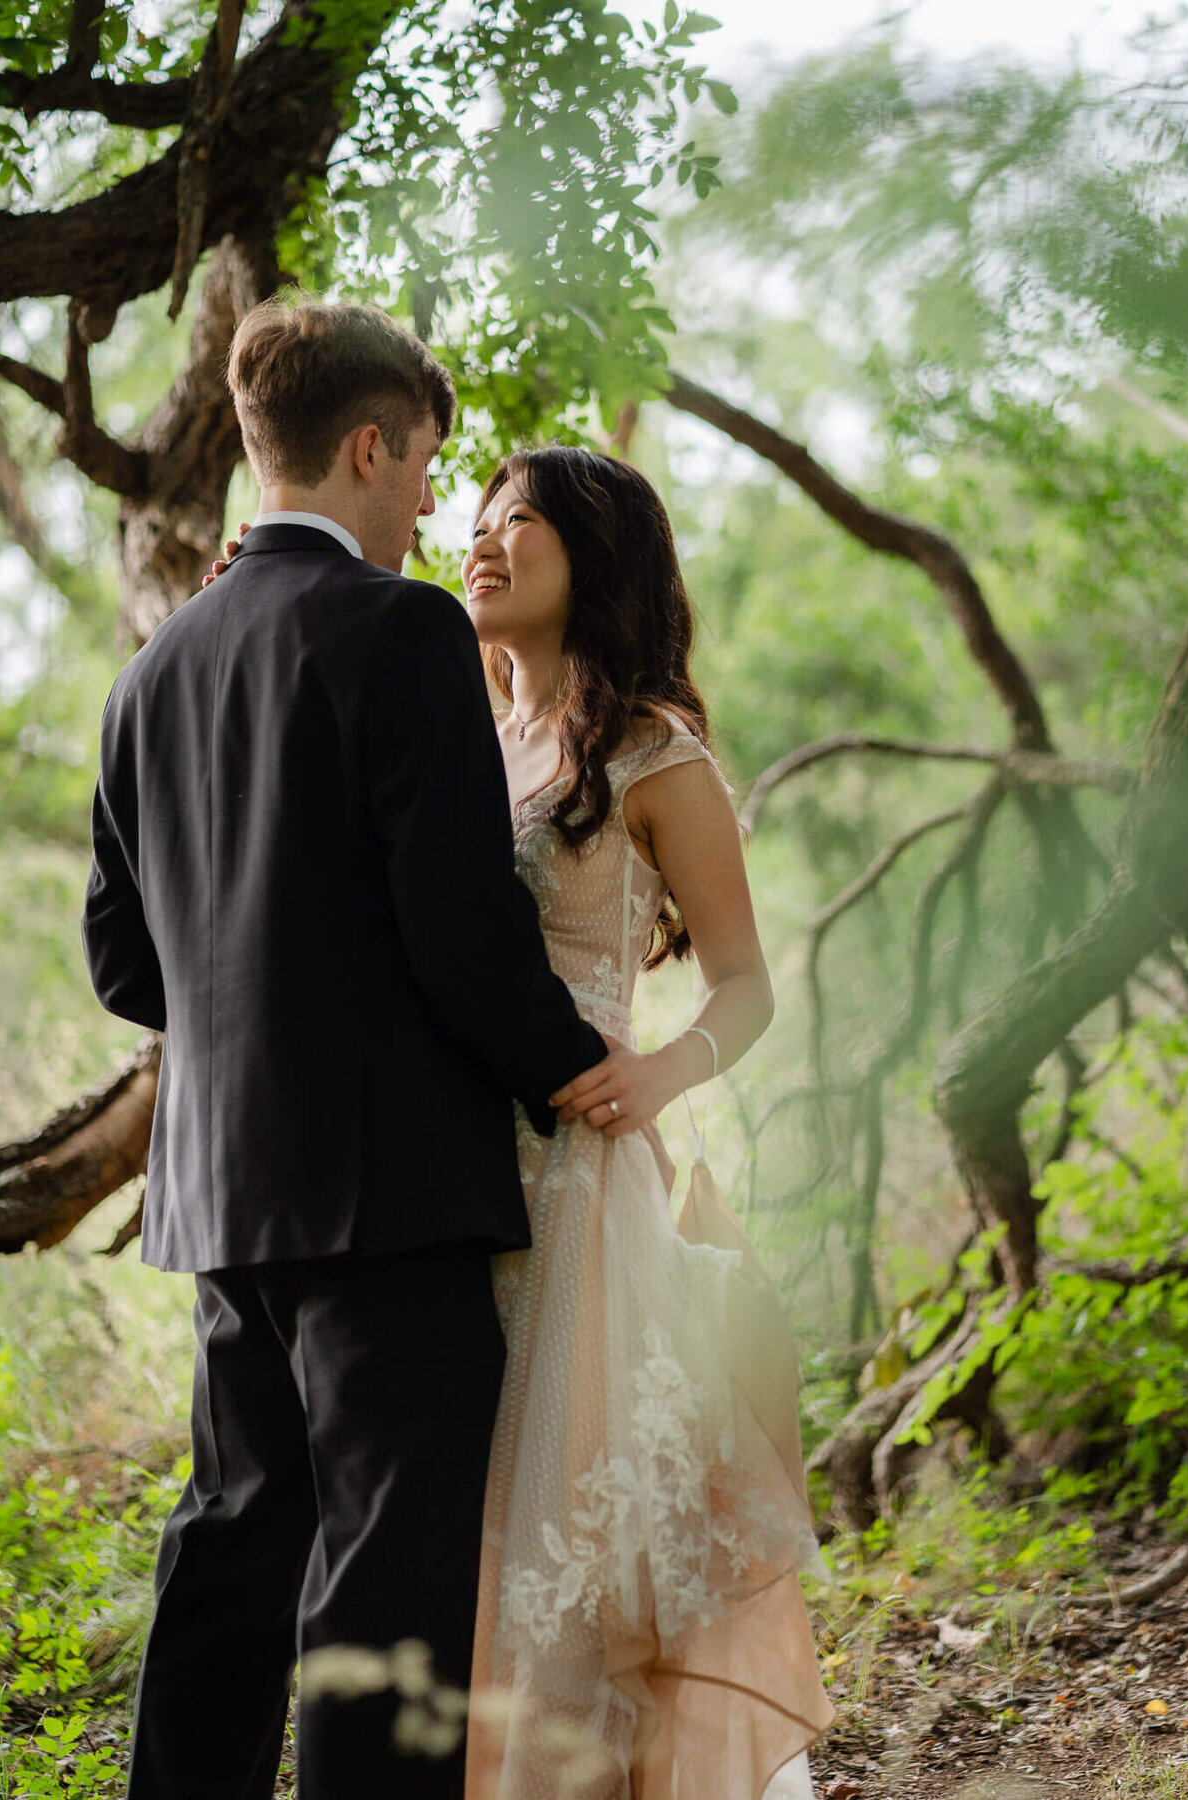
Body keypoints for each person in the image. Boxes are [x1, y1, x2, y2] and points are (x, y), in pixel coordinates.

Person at [81, 300, 608, 1800]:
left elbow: (126, 962)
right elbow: (456, 914)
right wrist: (560, 1067)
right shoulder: (402, 627)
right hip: (391, 1187)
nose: (434, 500)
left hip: (223, 1192)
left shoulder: (152, 673)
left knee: (237, 1536)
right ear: (370, 445)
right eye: (428, 462)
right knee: (389, 1572)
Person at [457, 447, 836, 1799]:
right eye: (482, 522)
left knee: (564, 1546)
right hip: (447, 1176)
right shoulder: (460, 728)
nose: (487, 544)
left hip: (578, 1187)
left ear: (595, 563)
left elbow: (747, 984)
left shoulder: (651, 751)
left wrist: (662, 1075)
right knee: (467, 1532)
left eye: (526, 529)